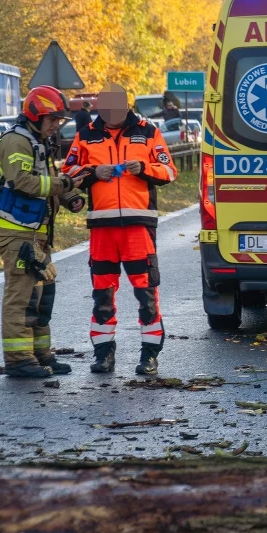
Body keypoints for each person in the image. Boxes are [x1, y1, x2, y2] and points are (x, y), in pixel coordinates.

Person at [63, 83, 178, 375]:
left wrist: (144, 167)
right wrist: (91, 173)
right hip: (102, 226)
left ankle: (149, 356)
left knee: (146, 292)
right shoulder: (86, 134)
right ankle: (103, 355)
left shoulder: (149, 132)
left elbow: (169, 171)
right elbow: (68, 172)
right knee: (102, 293)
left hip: (138, 225)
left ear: (127, 105)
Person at [0, 86, 86, 378]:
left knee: (43, 295)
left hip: (36, 235)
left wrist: (69, 197)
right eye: (53, 118)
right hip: (18, 234)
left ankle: (41, 354)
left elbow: (48, 181)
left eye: (60, 119)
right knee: (21, 297)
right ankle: (19, 359)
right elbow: (23, 182)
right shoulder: (16, 142)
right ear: (36, 114)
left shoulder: (37, 141)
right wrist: (66, 185)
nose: (57, 124)